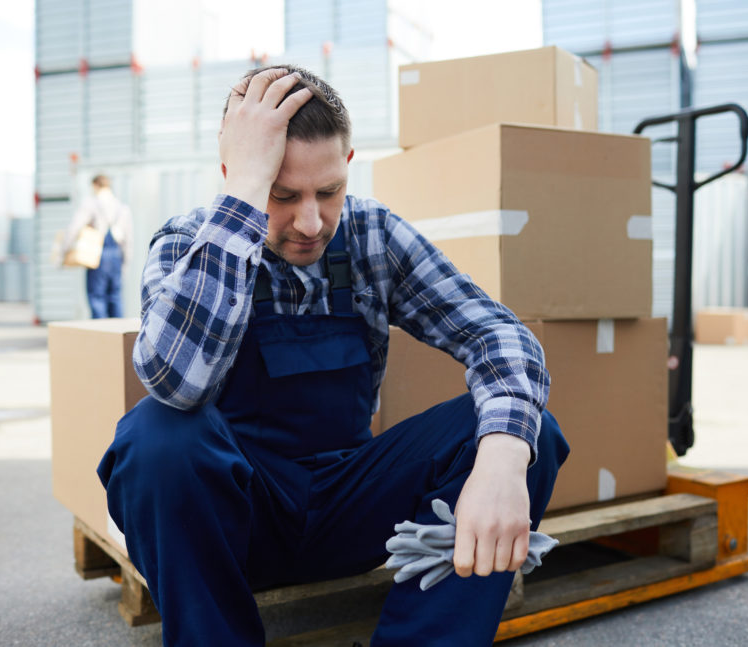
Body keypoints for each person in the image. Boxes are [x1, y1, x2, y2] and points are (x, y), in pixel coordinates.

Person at [97, 65, 569, 646]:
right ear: (233, 175)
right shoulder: (187, 242)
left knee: (526, 431)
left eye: (328, 191)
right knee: (156, 436)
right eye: (281, 195)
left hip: (351, 505)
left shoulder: (372, 234)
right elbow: (174, 382)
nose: (311, 222)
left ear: (348, 167)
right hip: (238, 521)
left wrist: (500, 463)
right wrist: (243, 200)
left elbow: (498, 335)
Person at [63, 174, 133, 318]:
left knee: (97, 297)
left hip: (97, 255)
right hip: (116, 255)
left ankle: (102, 336)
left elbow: (74, 228)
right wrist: (125, 263)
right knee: (115, 297)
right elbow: (128, 240)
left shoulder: (91, 204)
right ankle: (118, 334)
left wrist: (64, 251)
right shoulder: (122, 208)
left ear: (95, 186)